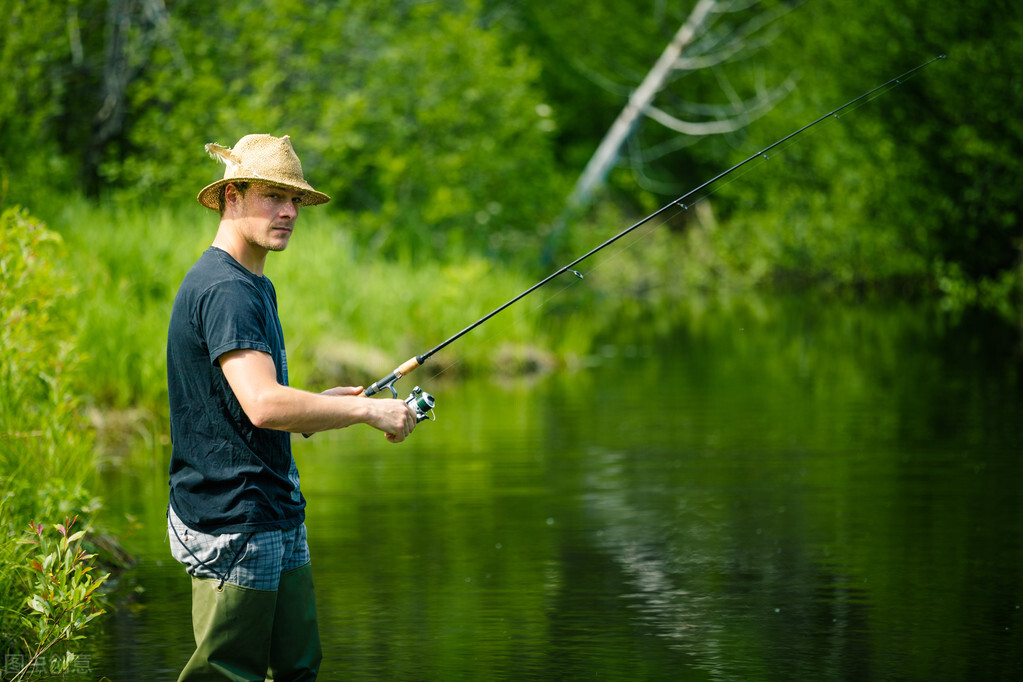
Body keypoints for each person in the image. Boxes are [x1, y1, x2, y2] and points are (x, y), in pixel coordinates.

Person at [166, 133, 417, 681]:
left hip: (275, 509)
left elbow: (252, 404)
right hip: (234, 518)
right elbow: (262, 405)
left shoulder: (256, 284)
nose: (288, 212)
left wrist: (320, 407)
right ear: (232, 196)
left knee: (298, 668)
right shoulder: (225, 289)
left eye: (295, 200)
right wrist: (369, 413)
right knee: (228, 674)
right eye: (271, 196)